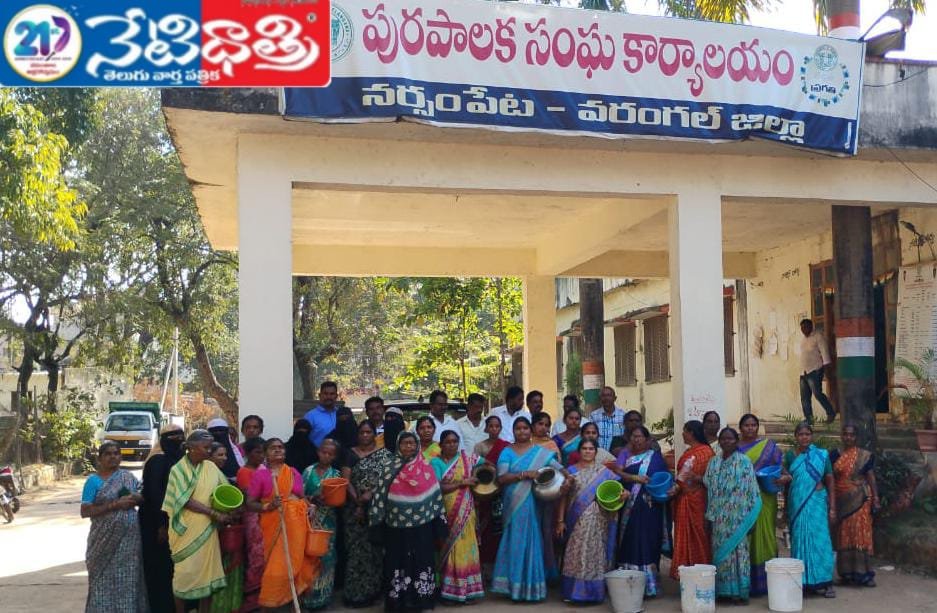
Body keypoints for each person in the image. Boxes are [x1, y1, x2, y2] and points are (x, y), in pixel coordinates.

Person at [492, 417, 567, 602]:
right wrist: (524, 474)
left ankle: (531, 588)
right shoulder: (506, 452)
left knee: (532, 540)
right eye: (518, 428)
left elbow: (560, 469)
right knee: (515, 541)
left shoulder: (540, 452)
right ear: (513, 431)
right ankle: (513, 588)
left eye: (525, 428)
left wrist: (568, 478)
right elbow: (501, 478)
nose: (522, 432)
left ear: (530, 430)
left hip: (533, 503)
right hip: (514, 502)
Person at [371, 431, 447, 611]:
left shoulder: (426, 467)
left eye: (412, 443)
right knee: (397, 562)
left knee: (422, 560)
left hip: (423, 527)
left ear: (417, 445)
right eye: (404, 443)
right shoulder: (389, 467)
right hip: (395, 527)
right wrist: (376, 521)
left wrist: (440, 527)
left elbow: (435, 496)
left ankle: (421, 599)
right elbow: (379, 496)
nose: (408, 447)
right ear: (398, 445)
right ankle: (398, 601)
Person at [162, 430, 231, 611]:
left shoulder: (210, 467)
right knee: (184, 575)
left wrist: (231, 508)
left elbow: (225, 489)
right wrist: (214, 514)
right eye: (205, 447)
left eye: (210, 448)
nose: (209, 451)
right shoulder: (178, 470)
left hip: (208, 531)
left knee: (207, 575)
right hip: (185, 530)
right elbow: (184, 500)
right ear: (191, 448)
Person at [246, 437, 317, 610]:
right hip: (274, 528)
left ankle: (295, 606)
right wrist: (268, 506)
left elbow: (301, 497)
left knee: (297, 567)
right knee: (275, 571)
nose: (278, 450)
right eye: (273, 448)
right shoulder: (261, 475)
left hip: (296, 530)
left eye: (281, 447)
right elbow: (250, 503)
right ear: (265, 454)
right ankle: (271, 605)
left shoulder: (293, 473)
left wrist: (311, 506)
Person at [81, 441, 147, 613]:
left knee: (129, 577)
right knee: (102, 579)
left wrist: (135, 498)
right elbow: (85, 511)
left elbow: (143, 496)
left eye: (116, 453)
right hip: (102, 540)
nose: (113, 457)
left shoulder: (128, 477)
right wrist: (115, 504)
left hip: (129, 539)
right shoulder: (93, 481)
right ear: (100, 458)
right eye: (108, 454)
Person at [556, 439, 623, 604]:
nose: (587, 451)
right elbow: (563, 498)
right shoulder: (570, 472)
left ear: (596, 451)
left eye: (591, 449)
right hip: (575, 522)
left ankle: (593, 594)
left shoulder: (604, 473)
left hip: (599, 520)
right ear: (579, 451)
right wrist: (560, 520)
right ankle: (573, 593)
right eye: (584, 449)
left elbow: (616, 492)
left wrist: (624, 495)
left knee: (595, 555)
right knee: (575, 555)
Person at [704, 428, 762, 604]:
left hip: (739, 519)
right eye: (723, 439)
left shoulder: (744, 462)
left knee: (739, 554)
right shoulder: (713, 462)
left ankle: (739, 593)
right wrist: (709, 515)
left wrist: (750, 520)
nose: (726, 442)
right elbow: (708, 485)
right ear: (719, 441)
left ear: (736, 441)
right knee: (720, 554)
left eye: (730, 439)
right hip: (719, 518)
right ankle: (723, 591)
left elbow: (752, 491)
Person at [613, 426, 671, 597]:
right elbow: (617, 471)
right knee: (630, 540)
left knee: (648, 540)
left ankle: (650, 585)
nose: (636, 439)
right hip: (629, 503)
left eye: (639, 436)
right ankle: (627, 584)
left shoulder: (656, 458)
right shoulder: (625, 454)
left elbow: (665, 479)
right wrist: (633, 478)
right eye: (633, 436)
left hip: (650, 506)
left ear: (647, 440)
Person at [780, 422, 836, 598]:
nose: (804, 437)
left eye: (807, 434)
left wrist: (832, 506)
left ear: (812, 436)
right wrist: (786, 509)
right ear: (796, 436)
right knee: (800, 540)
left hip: (817, 501)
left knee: (821, 540)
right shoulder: (790, 456)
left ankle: (826, 582)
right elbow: (788, 481)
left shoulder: (821, 455)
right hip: (798, 502)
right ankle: (803, 582)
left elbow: (829, 479)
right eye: (801, 434)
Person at [431, 430, 485, 603]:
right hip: (446, 511)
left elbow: (490, 466)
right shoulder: (436, 463)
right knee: (449, 548)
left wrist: (477, 477)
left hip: (467, 512)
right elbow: (439, 487)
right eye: (447, 442)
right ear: (440, 445)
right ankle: (450, 591)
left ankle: (468, 591)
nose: (452, 444)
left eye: (455, 441)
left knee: (466, 547)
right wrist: (462, 482)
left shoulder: (468, 460)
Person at [343, 420, 391, 608]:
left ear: (374, 434)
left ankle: (374, 592)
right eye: (361, 432)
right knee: (356, 552)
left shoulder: (385, 455)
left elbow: (388, 480)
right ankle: (355, 594)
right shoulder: (349, 453)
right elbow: (345, 480)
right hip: (353, 511)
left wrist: (370, 496)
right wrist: (358, 501)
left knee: (375, 551)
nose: (364, 436)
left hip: (377, 509)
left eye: (368, 432)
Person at [140, 425, 185, 613]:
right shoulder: (157, 461)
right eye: (171, 436)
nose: (177, 439)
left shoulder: (180, 460)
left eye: (180, 435)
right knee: (158, 566)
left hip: (174, 522)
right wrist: (162, 525)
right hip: (156, 522)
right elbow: (155, 495)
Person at [738, 413, 783, 596]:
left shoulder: (768, 447)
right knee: (746, 537)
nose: (750, 428)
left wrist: (783, 478)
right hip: (742, 499)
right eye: (747, 425)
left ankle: (768, 581)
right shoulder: (734, 448)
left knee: (765, 536)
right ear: (740, 428)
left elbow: (782, 471)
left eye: (753, 425)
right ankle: (747, 581)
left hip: (765, 497)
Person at [830, 424, 879, 587]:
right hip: (841, 500)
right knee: (844, 535)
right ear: (841, 436)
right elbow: (830, 478)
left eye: (851, 435)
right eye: (845, 434)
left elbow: (870, 476)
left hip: (860, 498)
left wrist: (876, 498)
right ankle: (846, 574)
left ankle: (864, 573)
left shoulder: (864, 456)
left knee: (860, 534)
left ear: (856, 437)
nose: (848, 437)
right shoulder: (834, 454)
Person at [669, 420, 715, 580]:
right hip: (684, 500)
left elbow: (712, 478)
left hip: (699, 499)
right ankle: (685, 573)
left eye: (685, 431)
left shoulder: (706, 453)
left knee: (700, 535)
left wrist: (696, 478)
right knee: (684, 534)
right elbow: (681, 477)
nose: (682, 434)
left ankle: (702, 572)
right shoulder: (688, 453)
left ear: (692, 433)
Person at [302, 438, 342, 609]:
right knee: (309, 556)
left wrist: (327, 499)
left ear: (334, 456)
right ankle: (307, 596)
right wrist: (311, 499)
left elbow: (340, 501)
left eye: (330, 453)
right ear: (318, 452)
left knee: (326, 557)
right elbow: (299, 494)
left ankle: (323, 597)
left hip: (328, 522)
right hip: (308, 521)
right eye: (323, 452)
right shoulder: (308, 471)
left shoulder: (336, 475)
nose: (326, 456)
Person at [209, 443, 244, 613]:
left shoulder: (222, 475)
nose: (224, 458)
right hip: (211, 529)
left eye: (225, 454)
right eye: (219, 455)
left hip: (228, 528)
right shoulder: (204, 476)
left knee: (230, 568)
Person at [474, 415, 510, 573]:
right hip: (483, 492)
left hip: (502, 491)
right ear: (486, 428)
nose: (494, 429)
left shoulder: (507, 447)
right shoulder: (479, 447)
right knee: (485, 529)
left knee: (500, 529)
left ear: (501, 429)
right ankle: (485, 568)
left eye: (497, 426)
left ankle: (500, 567)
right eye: (491, 426)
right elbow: (475, 468)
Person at [236, 437, 266, 613]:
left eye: (263, 452)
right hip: (253, 517)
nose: (261, 456)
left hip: (266, 515)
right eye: (257, 452)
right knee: (255, 555)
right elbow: (251, 497)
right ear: (247, 454)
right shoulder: (244, 472)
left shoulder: (263, 469)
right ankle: (252, 598)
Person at [799, 319, 836, 424]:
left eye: (806, 326)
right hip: (803, 372)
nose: (804, 329)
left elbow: (825, 353)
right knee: (804, 397)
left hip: (815, 370)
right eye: (802, 327)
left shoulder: (818, 337)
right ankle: (809, 419)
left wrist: (827, 369)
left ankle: (830, 413)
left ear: (811, 326)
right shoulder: (803, 340)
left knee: (817, 394)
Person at [304, 381, 341, 446]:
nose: (328, 397)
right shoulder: (310, 416)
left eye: (332, 394)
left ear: (336, 396)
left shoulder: (340, 414)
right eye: (325, 394)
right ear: (320, 395)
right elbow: (303, 440)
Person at [589, 386, 626, 451]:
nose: (606, 398)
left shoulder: (623, 416)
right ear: (600, 398)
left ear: (615, 398)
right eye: (603, 396)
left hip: (617, 456)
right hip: (598, 455)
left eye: (609, 395)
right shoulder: (594, 416)